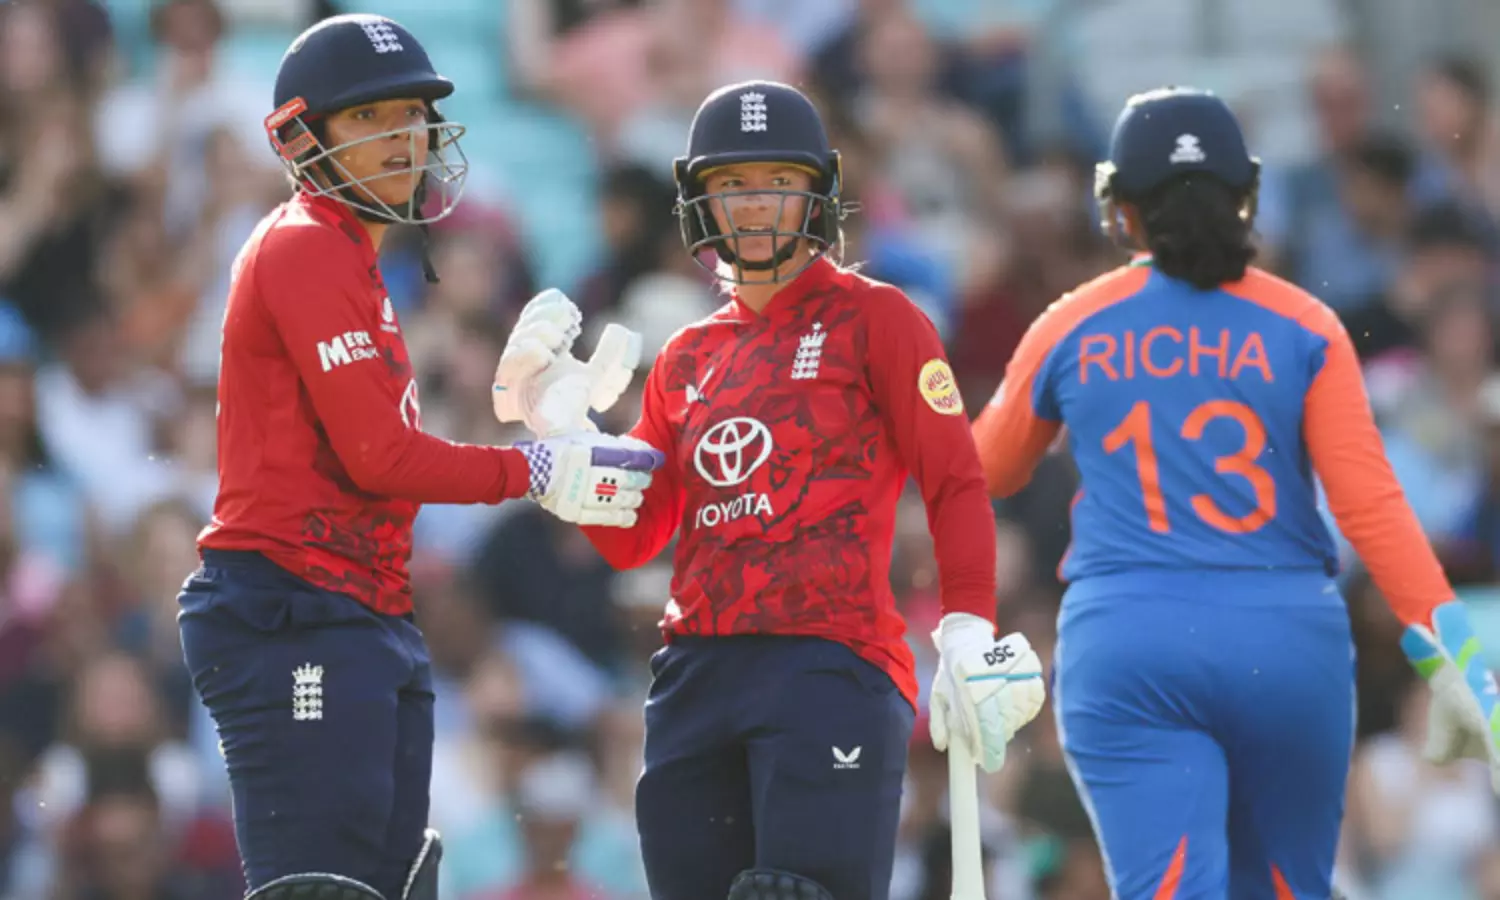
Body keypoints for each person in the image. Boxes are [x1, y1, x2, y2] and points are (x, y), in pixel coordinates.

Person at [498, 80, 1046, 900]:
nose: (755, 203)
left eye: (778, 182)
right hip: (694, 676)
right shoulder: (684, 356)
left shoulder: (879, 319)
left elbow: (955, 480)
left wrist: (968, 626)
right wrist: (569, 444)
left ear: (818, 194)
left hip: (830, 666)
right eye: (733, 183)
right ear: (700, 201)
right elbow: (637, 537)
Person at [174, 15, 661, 900]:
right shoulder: (304, 244)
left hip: (357, 605)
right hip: (292, 604)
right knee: (321, 888)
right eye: (369, 117)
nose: (403, 137)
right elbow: (380, 459)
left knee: (392, 884)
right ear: (303, 136)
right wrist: (535, 470)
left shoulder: (351, 258)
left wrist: (529, 424)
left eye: (411, 114)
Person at [971, 86, 1500, 900]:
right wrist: (1454, 653)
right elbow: (1370, 508)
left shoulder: (1070, 324)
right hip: (1283, 643)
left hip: (1130, 642)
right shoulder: (1306, 324)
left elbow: (986, 472)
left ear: (1122, 209)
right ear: (1244, 197)